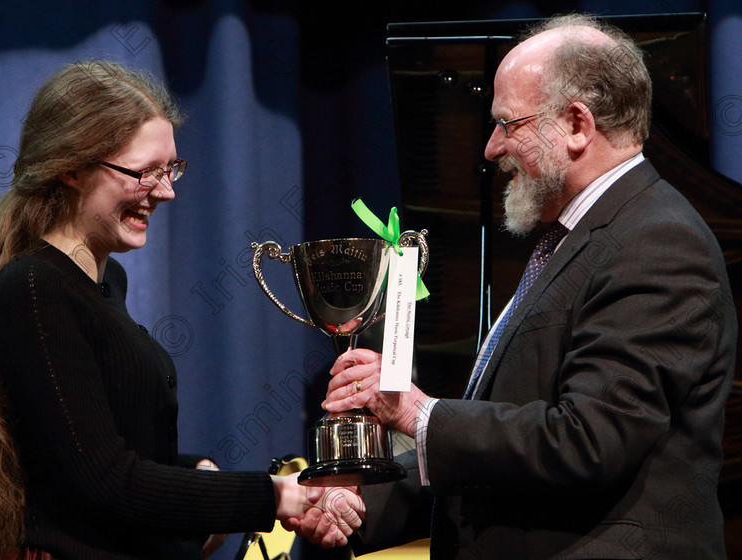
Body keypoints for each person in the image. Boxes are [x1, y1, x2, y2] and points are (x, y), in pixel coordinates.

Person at [286, 13, 738, 559]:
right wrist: (363, 506)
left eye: (508, 124)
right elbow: (506, 447)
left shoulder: (657, 242)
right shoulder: (577, 240)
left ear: (577, 124)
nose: (491, 148)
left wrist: (416, 413)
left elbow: (589, 441)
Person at [0, 60, 359, 560]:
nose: (167, 190)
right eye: (145, 172)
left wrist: (195, 476)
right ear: (70, 166)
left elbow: (103, 452)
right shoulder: (34, 288)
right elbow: (105, 484)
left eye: (171, 168)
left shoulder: (106, 281)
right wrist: (277, 496)